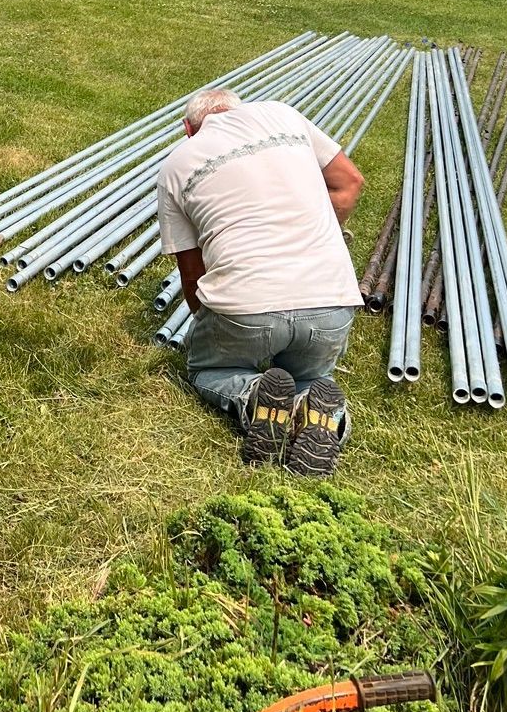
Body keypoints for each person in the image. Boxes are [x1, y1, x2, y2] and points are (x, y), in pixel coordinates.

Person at [156, 87, 365, 475]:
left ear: (189, 128)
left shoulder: (177, 163)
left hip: (247, 310)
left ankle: (253, 396)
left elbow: (191, 273)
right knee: (312, 377)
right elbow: (350, 182)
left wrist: (213, 326)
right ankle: (321, 416)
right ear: (242, 109)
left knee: (208, 370)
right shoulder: (284, 116)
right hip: (331, 302)